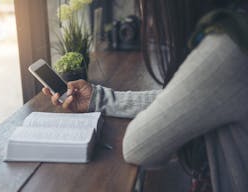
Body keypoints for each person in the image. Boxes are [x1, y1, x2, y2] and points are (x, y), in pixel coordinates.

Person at [43, 0, 248, 191]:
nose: (150, 22)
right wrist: (98, 99)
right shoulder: (236, 28)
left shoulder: (226, 47)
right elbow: (180, 98)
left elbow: (138, 146)